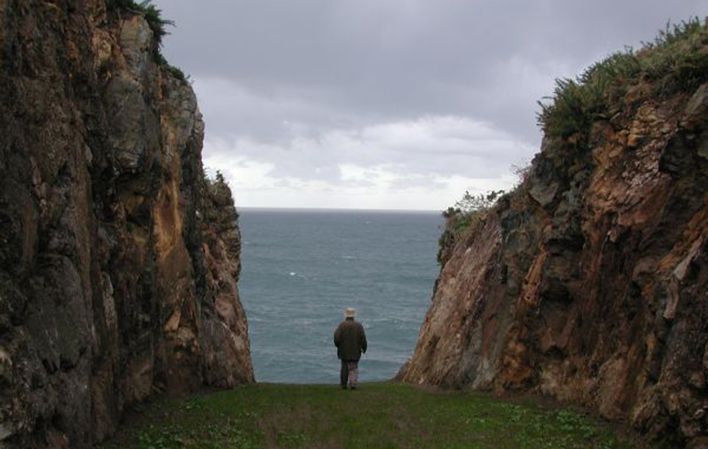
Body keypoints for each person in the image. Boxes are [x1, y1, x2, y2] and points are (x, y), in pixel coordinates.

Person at [333, 307, 367, 390]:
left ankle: (343, 384)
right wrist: (364, 348)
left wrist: (338, 346)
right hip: (356, 350)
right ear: (354, 316)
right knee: (353, 367)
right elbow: (363, 338)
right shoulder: (359, 326)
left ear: (346, 315)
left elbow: (336, 338)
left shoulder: (342, 325)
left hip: (344, 350)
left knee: (344, 367)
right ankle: (353, 384)